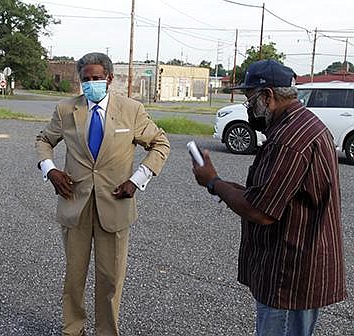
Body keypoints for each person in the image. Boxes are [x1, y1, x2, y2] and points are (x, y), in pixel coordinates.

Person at [192, 60, 347, 335]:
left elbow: (260, 210)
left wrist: (213, 182)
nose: (248, 108)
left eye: (250, 99)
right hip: (298, 269)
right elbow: (270, 194)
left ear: (268, 96)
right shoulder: (300, 125)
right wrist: (223, 184)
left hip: (289, 274)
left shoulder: (289, 140)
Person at [36, 52, 170, 336]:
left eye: (97, 78)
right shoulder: (66, 110)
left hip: (116, 204)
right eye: (86, 79)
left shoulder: (131, 110)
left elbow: (160, 144)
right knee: (74, 276)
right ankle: (73, 329)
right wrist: (50, 170)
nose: (91, 83)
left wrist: (138, 179)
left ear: (109, 79)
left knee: (110, 279)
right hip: (76, 205)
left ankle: (106, 331)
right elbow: (44, 140)